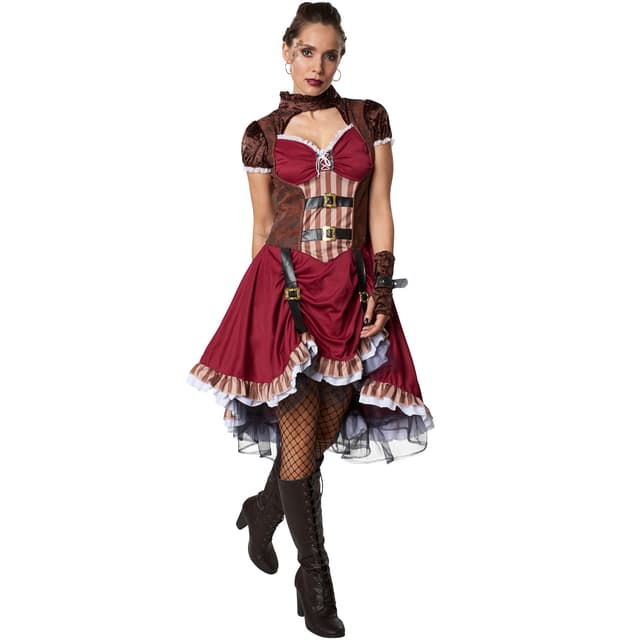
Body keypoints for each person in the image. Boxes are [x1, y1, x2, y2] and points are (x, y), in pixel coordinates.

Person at [187, 2, 435, 636]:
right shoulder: (262, 134)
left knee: (323, 427)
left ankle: (264, 508)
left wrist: (381, 287)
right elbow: (262, 226)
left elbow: (380, 206)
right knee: (300, 436)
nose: (317, 65)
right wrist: (261, 312)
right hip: (289, 291)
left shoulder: (368, 118)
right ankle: (316, 582)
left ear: (341, 56)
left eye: (330, 54)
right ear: (286, 51)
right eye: (306, 52)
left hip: (352, 290)